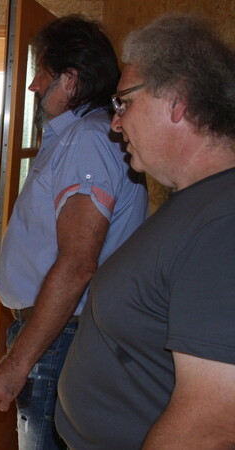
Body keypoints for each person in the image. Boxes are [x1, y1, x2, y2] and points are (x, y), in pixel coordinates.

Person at [56, 15, 235, 449]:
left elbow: (212, 425)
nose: (116, 124)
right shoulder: (196, 202)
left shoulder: (222, 225)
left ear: (177, 100)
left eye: (123, 104)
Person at [0, 15, 148, 450]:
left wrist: (16, 365)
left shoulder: (86, 141)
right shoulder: (80, 136)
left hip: (58, 337)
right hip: (58, 332)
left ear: (70, 81)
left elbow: (76, 264)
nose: (33, 85)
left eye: (41, 73)